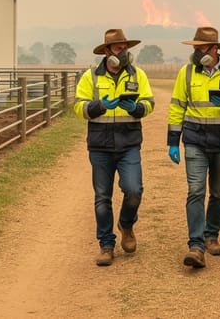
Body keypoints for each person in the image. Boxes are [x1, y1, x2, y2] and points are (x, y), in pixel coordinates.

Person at [166, 26, 220, 269]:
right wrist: (173, 141)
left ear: (214, 49)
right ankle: (196, 245)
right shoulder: (187, 72)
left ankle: (211, 235)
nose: (196, 52)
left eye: (200, 47)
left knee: (218, 192)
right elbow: (176, 107)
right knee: (195, 190)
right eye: (194, 48)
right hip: (195, 141)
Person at [74, 29, 154, 266]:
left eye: (125, 47)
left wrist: (135, 109)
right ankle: (106, 245)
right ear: (107, 51)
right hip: (100, 145)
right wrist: (99, 106)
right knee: (102, 197)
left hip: (129, 143)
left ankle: (126, 225)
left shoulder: (138, 75)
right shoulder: (91, 77)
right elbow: (79, 108)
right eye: (118, 48)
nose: (124, 51)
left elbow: (149, 104)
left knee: (134, 190)